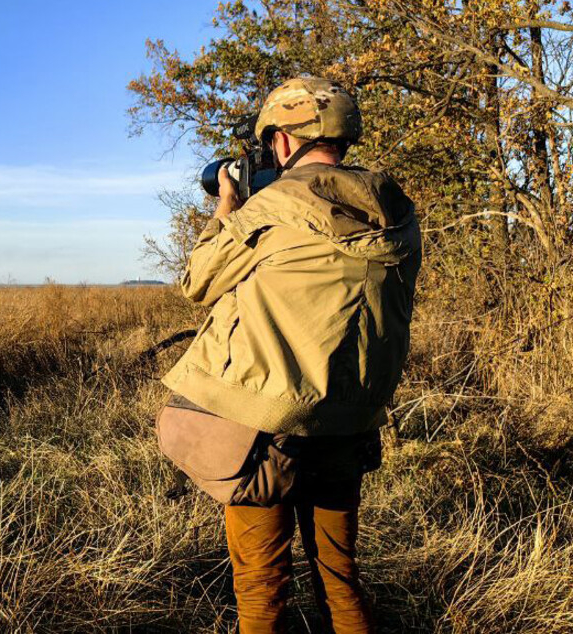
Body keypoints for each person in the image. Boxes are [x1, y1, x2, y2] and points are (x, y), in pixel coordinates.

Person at [161, 77, 422, 633]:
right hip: (347, 423)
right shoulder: (399, 212)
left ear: (281, 141)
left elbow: (197, 282)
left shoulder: (271, 208)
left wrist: (228, 206)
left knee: (262, 588)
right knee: (340, 579)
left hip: (266, 429)